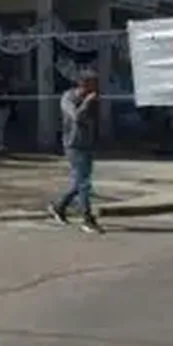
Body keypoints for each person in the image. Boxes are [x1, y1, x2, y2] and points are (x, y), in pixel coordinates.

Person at [49, 71, 105, 234]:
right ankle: (87, 219)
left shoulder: (94, 100)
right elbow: (76, 117)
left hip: (88, 144)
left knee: (80, 182)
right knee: (84, 184)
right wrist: (87, 102)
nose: (97, 88)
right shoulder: (68, 98)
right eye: (93, 83)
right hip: (74, 145)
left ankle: (59, 207)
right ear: (83, 84)